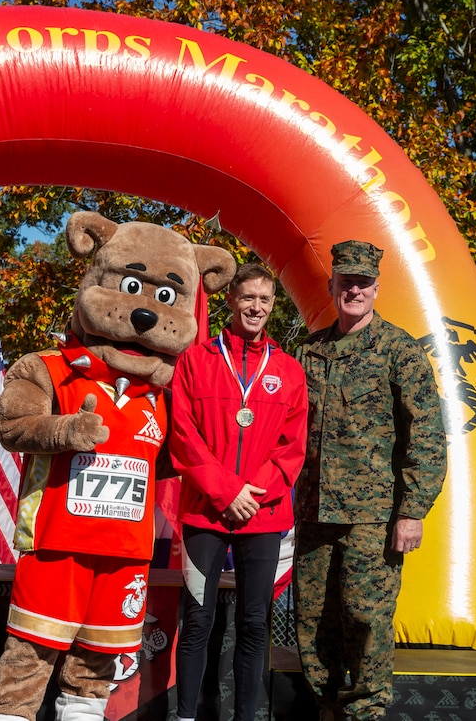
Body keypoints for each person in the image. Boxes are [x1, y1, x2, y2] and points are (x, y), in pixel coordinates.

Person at [293, 240, 447, 720]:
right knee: (312, 619)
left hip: (373, 517)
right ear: (332, 285)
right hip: (315, 511)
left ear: (377, 288)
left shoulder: (399, 350)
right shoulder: (308, 352)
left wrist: (412, 511)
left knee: (367, 619)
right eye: (346, 281)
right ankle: (323, 706)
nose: (354, 289)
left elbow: (427, 435)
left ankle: (366, 711)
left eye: (363, 282)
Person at [169, 262, 309, 721]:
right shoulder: (195, 360)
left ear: (272, 306)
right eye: (248, 297)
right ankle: (186, 715)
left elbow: (293, 449)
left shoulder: (289, 371)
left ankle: (245, 717)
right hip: (204, 513)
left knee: (254, 625)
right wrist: (227, 492)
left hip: (263, 515)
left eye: (265, 300)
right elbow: (183, 436)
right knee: (197, 623)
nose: (256, 307)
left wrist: (253, 493)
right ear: (231, 300)